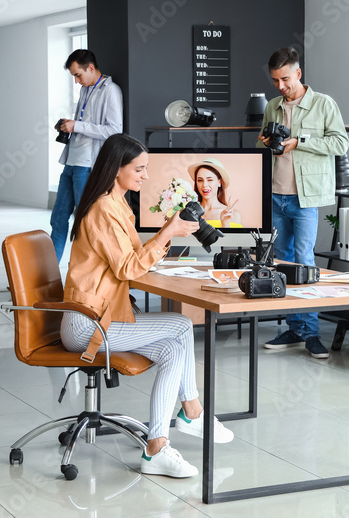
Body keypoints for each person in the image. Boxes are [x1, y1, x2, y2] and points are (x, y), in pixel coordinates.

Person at [60, 134, 234, 478]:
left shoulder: (117, 204)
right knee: (182, 326)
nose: (144, 176)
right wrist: (166, 233)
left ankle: (157, 448)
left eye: (146, 168)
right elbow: (127, 268)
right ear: (116, 169)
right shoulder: (103, 211)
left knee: (172, 350)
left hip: (104, 316)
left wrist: (164, 240)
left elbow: (130, 260)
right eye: (139, 169)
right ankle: (192, 412)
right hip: (88, 324)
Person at [258, 46, 348, 359]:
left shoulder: (323, 104)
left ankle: (311, 333)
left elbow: (340, 142)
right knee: (282, 262)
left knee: (304, 260)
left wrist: (300, 142)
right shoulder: (272, 106)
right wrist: (269, 142)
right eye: (275, 81)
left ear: (298, 73)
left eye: (285, 79)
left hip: (305, 196)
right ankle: (295, 328)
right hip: (275, 194)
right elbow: (264, 141)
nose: (281, 86)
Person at [50, 49, 123, 262]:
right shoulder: (84, 90)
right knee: (58, 219)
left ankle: (85, 276)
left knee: (85, 222)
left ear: (90, 68)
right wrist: (69, 126)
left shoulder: (111, 91)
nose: (76, 81)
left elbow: (114, 130)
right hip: (71, 162)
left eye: (78, 75)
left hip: (88, 166)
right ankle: (50, 276)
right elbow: (84, 123)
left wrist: (78, 126)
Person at [188, 158, 241, 228]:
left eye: (210, 180)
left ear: (219, 182)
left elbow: (234, 239)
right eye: (200, 180)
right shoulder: (189, 212)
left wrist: (225, 224)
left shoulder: (234, 215)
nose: (204, 185)